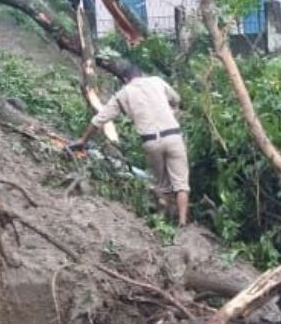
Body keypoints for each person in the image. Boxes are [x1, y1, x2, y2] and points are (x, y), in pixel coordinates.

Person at [69, 64, 191, 226]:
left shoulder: (123, 93)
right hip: (173, 136)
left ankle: (163, 221)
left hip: (151, 142)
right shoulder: (157, 81)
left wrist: (83, 140)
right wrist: (172, 110)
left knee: (162, 184)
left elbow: (100, 119)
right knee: (181, 183)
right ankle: (182, 222)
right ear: (141, 74)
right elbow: (176, 99)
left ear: (125, 80)